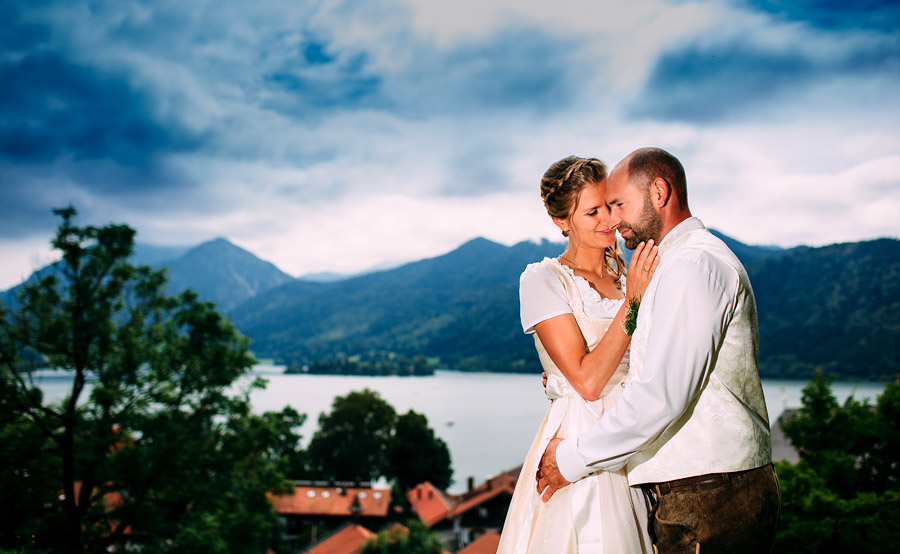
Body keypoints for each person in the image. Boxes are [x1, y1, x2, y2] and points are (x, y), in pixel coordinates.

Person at [536, 148, 780, 553]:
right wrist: (563, 382)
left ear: (660, 192)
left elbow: (662, 395)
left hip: (709, 495)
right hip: (702, 490)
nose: (613, 221)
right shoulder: (671, 264)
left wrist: (570, 459)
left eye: (618, 205)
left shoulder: (691, 266)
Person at [497, 156, 659, 554]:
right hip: (581, 435)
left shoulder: (629, 275)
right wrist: (634, 300)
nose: (608, 220)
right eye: (592, 211)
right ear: (561, 221)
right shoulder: (543, 279)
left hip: (638, 434)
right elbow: (587, 382)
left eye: (610, 205)